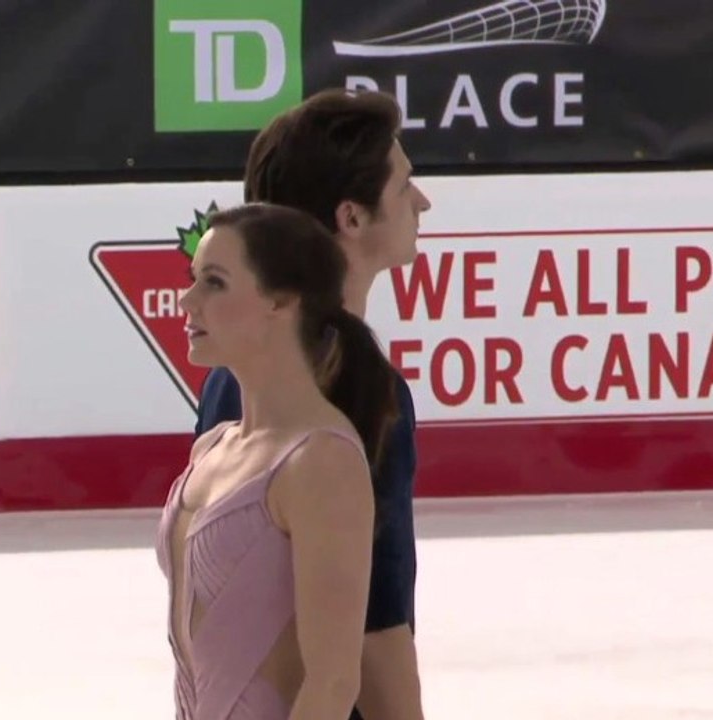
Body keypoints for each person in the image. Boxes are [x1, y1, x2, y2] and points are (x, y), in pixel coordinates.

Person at [194, 89, 433, 720]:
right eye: (405, 183)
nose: (422, 201)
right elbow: (376, 633)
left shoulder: (231, 378)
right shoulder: (363, 391)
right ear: (352, 217)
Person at [157, 202, 401, 719]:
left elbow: (332, 682)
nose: (187, 300)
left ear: (281, 301)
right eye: (194, 279)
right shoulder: (213, 448)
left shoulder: (320, 462)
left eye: (215, 283)